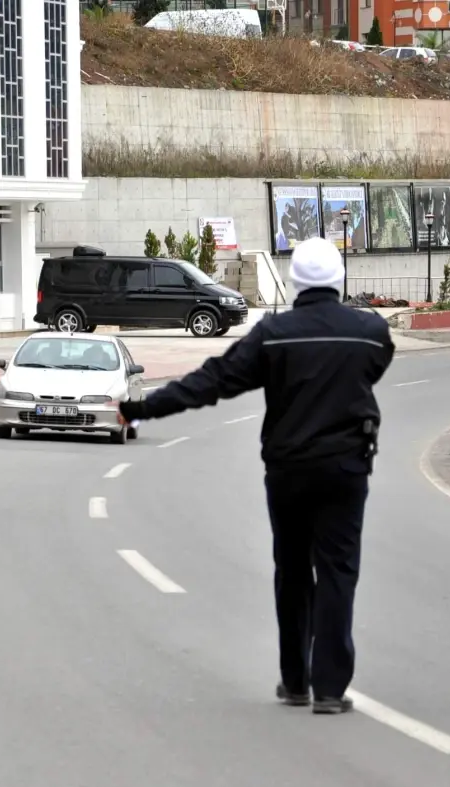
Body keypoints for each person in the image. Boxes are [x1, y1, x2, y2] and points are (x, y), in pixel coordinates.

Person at [115, 236, 395, 715]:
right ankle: (329, 689)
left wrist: (142, 408)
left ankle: (294, 681)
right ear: (339, 279)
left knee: (291, 572)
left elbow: (212, 381)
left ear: (293, 281)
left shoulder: (274, 335)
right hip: (346, 470)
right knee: (337, 573)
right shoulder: (369, 333)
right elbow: (375, 368)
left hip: (287, 472)